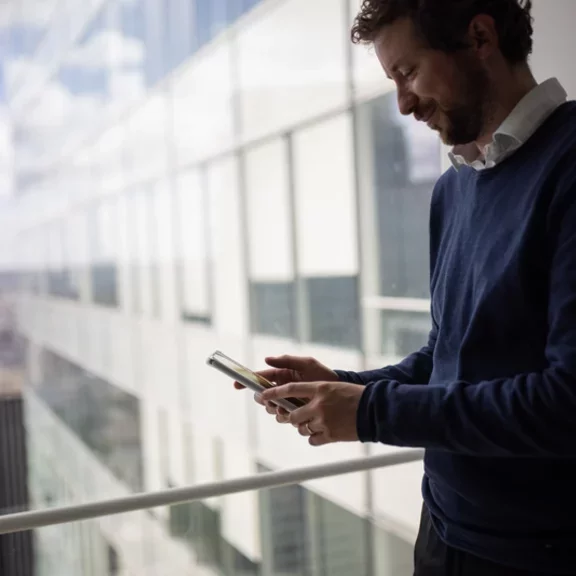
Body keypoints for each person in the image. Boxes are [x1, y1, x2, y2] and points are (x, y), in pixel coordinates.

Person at [236, 0, 576, 574]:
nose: (403, 102)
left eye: (408, 72)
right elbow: (447, 360)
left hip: (538, 554)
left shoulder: (568, 167)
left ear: (480, 37)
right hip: (442, 529)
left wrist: (370, 411)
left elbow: (566, 402)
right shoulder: (453, 189)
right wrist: (342, 387)